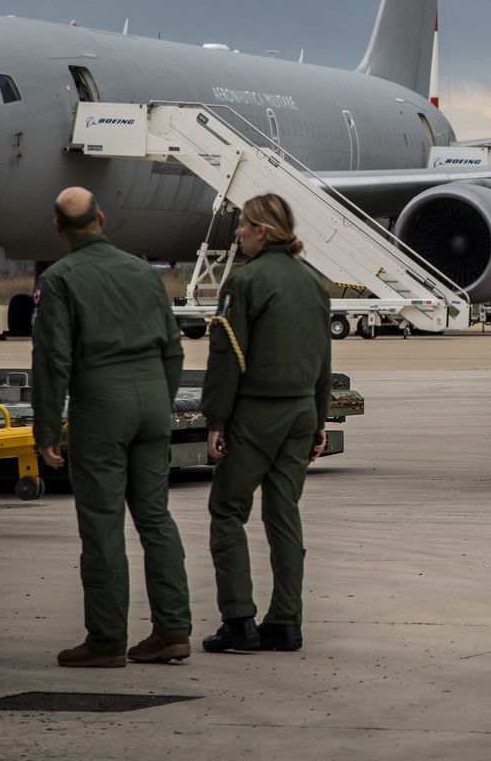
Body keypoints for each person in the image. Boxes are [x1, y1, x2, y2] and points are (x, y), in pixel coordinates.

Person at [31, 187, 191, 668]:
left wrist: (45, 429)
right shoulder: (143, 271)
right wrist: (158, 401)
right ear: (102, 218)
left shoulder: (60, 278)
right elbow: (174, 348)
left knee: (102, 525)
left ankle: (105, 639)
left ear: (58, 228)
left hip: (101, 403)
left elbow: (53, 359)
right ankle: (172, 630)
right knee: (156, 518)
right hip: (151, 399)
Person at [201, 193, 331, 654]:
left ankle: (239, 622)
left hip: (256, 414)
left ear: (261, 229)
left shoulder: (246, 281)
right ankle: (286, 623)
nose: (237, 233)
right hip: (300, 412)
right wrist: (318, 419)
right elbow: (323, 360)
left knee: (228, 512)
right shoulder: (314, 282)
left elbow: (227, 356)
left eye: (242, 226)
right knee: (284, 514)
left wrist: (216, 419)